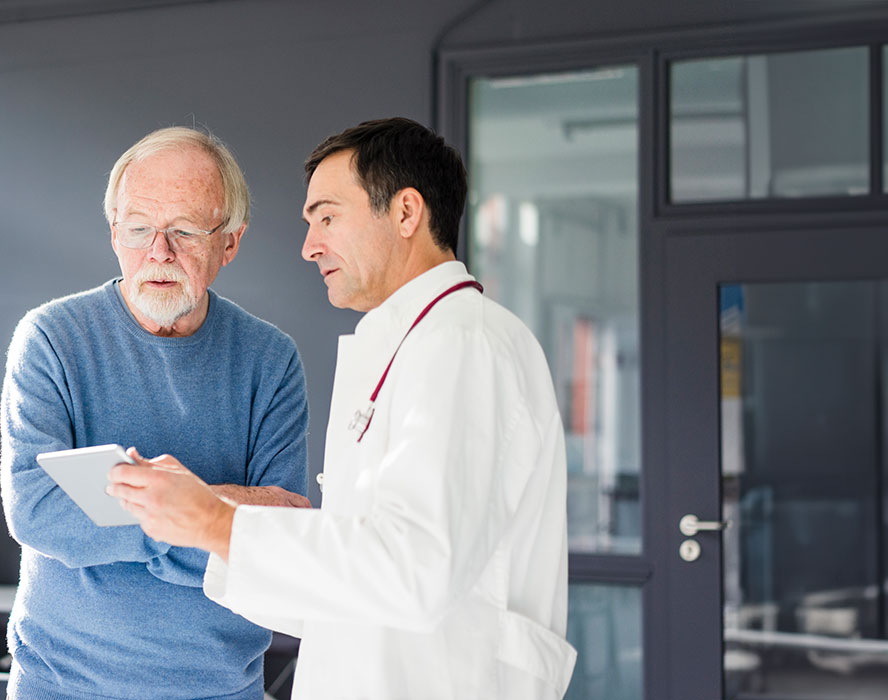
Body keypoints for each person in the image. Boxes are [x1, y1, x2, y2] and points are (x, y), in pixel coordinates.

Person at [108, 117, 577, 699]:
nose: (309, 247)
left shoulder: (464, 344)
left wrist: (217, 522)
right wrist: (204, 523)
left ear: (406, 213)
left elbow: (415, 569)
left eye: (327, 217)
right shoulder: (409, 345)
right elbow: (346, 587)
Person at [0, 126, 312, 699]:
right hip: (61, 688)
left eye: (186, 230)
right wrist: (202, 514)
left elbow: (282, 530)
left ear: (230, 243)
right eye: (140, 227)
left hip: (219, 689)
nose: (158, 252)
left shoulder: (270, 360)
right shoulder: (50, 339)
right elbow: (38, 511)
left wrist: (121, 515)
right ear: (115, 233)